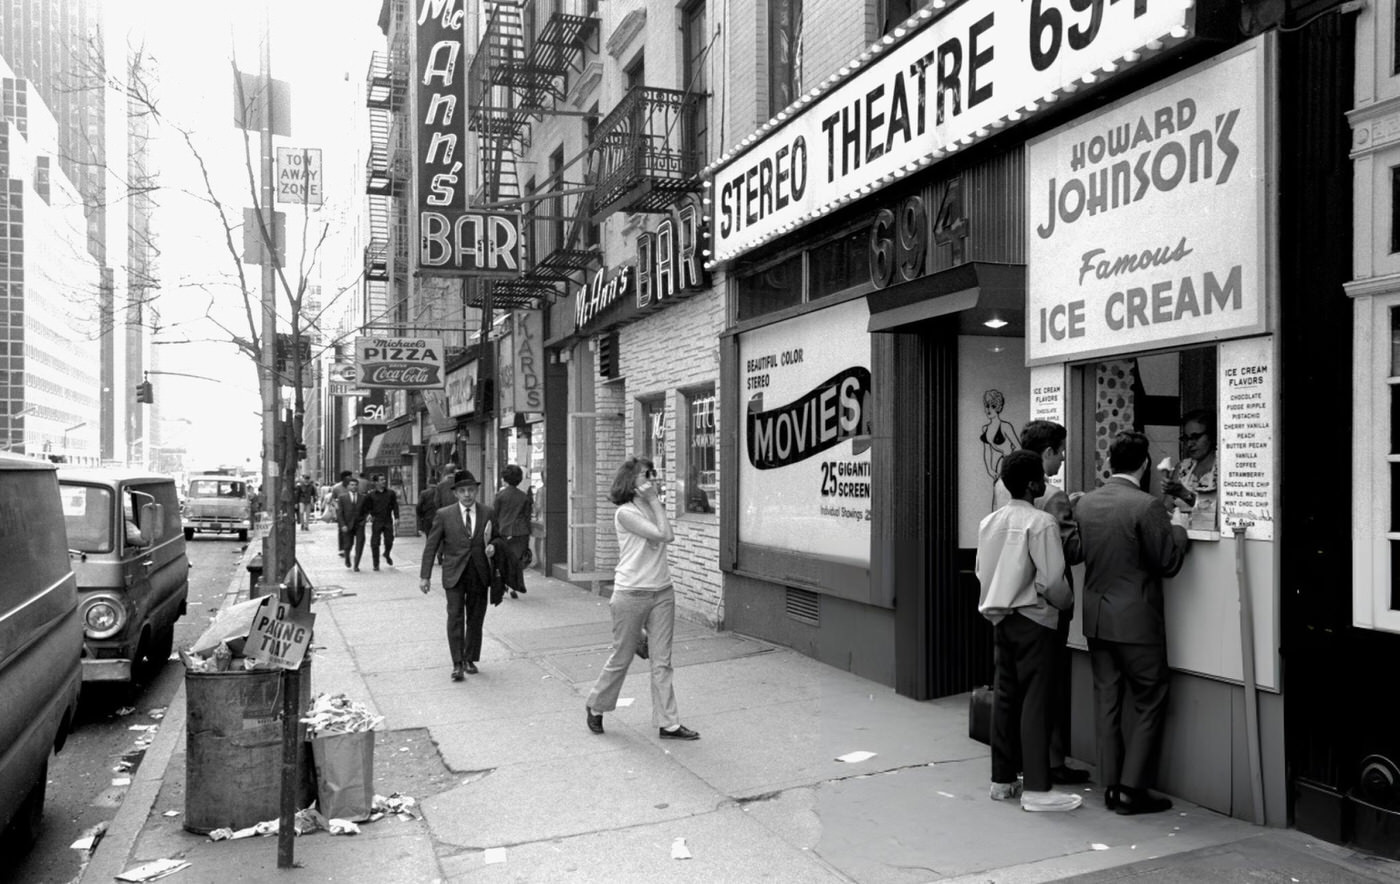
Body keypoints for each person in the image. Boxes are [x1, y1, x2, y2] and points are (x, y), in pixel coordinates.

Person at [1074, 430, 1191, 815]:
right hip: (1137, 620)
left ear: (1110, 462)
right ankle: (1131, 789)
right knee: (1150, 698)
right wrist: (1180, 526)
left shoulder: (1087, 503)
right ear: (1144, 465)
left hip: (1095, 616)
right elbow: (1168, 563)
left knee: (1107, 700)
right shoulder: (1147, 506)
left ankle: (1110, 785)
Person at [976, 450, 1081, 812]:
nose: (1046, 484)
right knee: (1037, 701)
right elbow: (1053, 580)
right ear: (1035, 484)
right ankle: (1037, 787)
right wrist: (1066, 604)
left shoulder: (988, 523)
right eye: (1043, 479)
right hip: (1035, 619)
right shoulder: (1042, 523)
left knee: (1006, 698)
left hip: (1000, 617)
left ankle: (1002, 780)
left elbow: (981, 572)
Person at [584, 456, 699, 742]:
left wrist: (654, 502)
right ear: (631, 482)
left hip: (662, 591)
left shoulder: (651, 505)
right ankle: (596, 704)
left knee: (662, 661)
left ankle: (668, 723)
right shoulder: (625, 512)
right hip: (631, 593)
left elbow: (662, 533)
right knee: (622, 656)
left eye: (654, 474)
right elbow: (665, 535)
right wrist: (656, 501)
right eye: (647, 475)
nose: (654, 479)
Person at [1015, 420, 1088, 786]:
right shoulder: (1054, 495)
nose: (1061, 460)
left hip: (1015, 598)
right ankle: (1052, 761)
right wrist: (1077, 514)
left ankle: (1022, 758)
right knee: (1052, 685)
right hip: (1048, 604)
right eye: (1060, 452)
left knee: (1022, 686)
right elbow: (1070, 552)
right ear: (1046, 453)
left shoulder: (1004, 486)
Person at [419, 470, 496, 681]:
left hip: (479, 573)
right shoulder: (444, 515)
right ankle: (457, 663)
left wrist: (494, 548)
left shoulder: (488, 512)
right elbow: (431, 545)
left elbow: (497, 539)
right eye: (462, 491)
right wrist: (425, 575)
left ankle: (470, 658)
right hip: (454, 573)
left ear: (477, 491)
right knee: (455, 617)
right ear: (455, 494)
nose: (467, 495)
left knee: (475, 617)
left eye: (471, 490)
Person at [1161, 409, 1218, 532]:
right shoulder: (1182, 467)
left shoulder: (1224, 468)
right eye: (1186, 439)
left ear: (1212, 436)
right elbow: (1166, 508)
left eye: (1195, 437)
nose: (1190, 444)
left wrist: (1183, 493)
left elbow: (1218, 512)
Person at [492, 464, 531, 599]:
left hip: (504, 531)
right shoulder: (524, 496)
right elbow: (527, 516)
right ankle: (516, 584)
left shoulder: (500, 496)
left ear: (505, 479)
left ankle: (505, 584)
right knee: (517, 560)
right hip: (521, 532)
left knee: (503, 559)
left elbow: (495, 515)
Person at [980, 389, 1020, 506]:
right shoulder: (985, 429)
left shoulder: (1005, 426)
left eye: (993, 406)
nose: (989, 409)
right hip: (998, 467)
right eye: (987, 406)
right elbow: (987, 452)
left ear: (998, 407)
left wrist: (1008, 457)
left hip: (1009, 465)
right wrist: (990, 470)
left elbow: (1018, 447)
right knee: (997, 500)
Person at [360, 474, 400, 570]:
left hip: (387, 520)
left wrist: (397, 517)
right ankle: (376, 563)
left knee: (389, 540)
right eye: (381, 480)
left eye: (384, 479)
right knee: (375, 543)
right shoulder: (371, 495)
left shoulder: (391, 493)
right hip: (377, 520)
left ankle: (387, 553)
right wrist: (368, 514)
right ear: (376, 482)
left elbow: (395, 506)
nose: (384, 481)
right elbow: (365, 508)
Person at [336, 476, 367, 570]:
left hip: (359, 525)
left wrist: (365, 519)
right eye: (352, 485)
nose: (354, 487)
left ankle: (356, 565)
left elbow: (366, 510)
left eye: (355, 485)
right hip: (347, 524)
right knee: (348, 545)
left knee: (360, 544)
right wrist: (342, 525)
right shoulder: (342, 498)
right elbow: (340, 513)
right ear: (348, 486)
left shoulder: (363, 498)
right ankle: (347, 558)